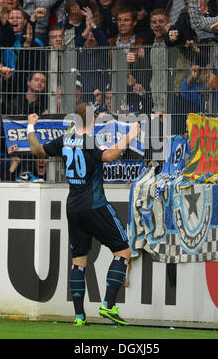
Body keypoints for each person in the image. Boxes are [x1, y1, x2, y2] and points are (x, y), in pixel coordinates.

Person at [26, 103, 141, 326]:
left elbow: (36, 150)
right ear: (92, 119)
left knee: (78, 261)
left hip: (73, 208)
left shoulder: (65, 139)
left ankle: (79, 316)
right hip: (95, 205)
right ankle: (108, 305)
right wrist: (131, 136)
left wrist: (31, 127)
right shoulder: (89, 140)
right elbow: (108, 156)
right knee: (123, 251)